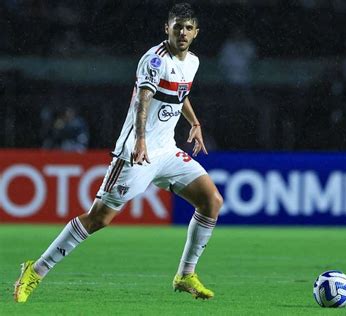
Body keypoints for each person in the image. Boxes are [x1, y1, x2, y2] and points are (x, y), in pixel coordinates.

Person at [13, 2, 223, 302]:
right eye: (177, 26)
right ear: (167, 28)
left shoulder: (193, 62)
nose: (183, 32)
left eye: (188, 28)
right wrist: (139, 139)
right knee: (98, 218)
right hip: (137, 153)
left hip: (167, 151)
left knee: (211, 201)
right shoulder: (154, 60)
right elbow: (143, 98)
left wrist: (194, 122)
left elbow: (180, 92)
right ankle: (36, 269)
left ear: (196, 32)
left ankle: (185, 274)